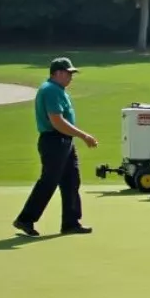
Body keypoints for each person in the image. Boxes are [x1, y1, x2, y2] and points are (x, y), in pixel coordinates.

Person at [12, 57, 98, 237]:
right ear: (57, 73)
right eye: (68, 73)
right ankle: (25, 219)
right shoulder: (51, 90)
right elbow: (57, 121)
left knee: (71, 181)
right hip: (54, 140)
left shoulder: (58, 90)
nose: (71, 77)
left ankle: (71, 222)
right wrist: (83, 135)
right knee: (49, 181)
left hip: (64, 141)